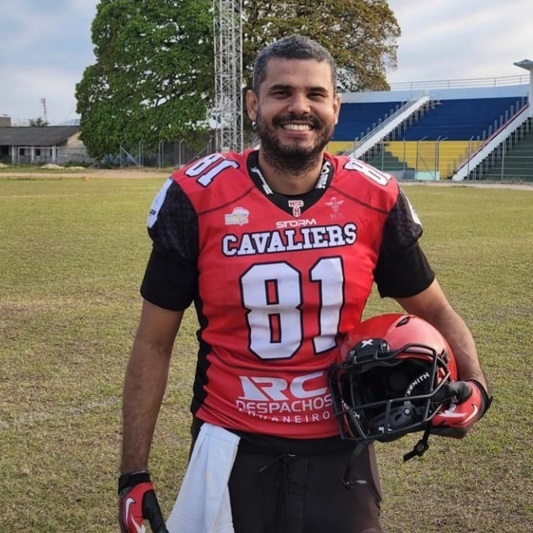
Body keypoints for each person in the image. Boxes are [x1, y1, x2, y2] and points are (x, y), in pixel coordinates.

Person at [118, 35, 491, 533]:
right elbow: (153, 341)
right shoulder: (197, 195)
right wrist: (133, 473)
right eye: (281, 92)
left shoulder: (373, 196)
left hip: (342, 444)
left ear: (335, 107)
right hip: (232, 442)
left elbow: (437, 312)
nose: (300, 107)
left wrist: (478, 387)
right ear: (254, 103)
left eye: (315, 94)